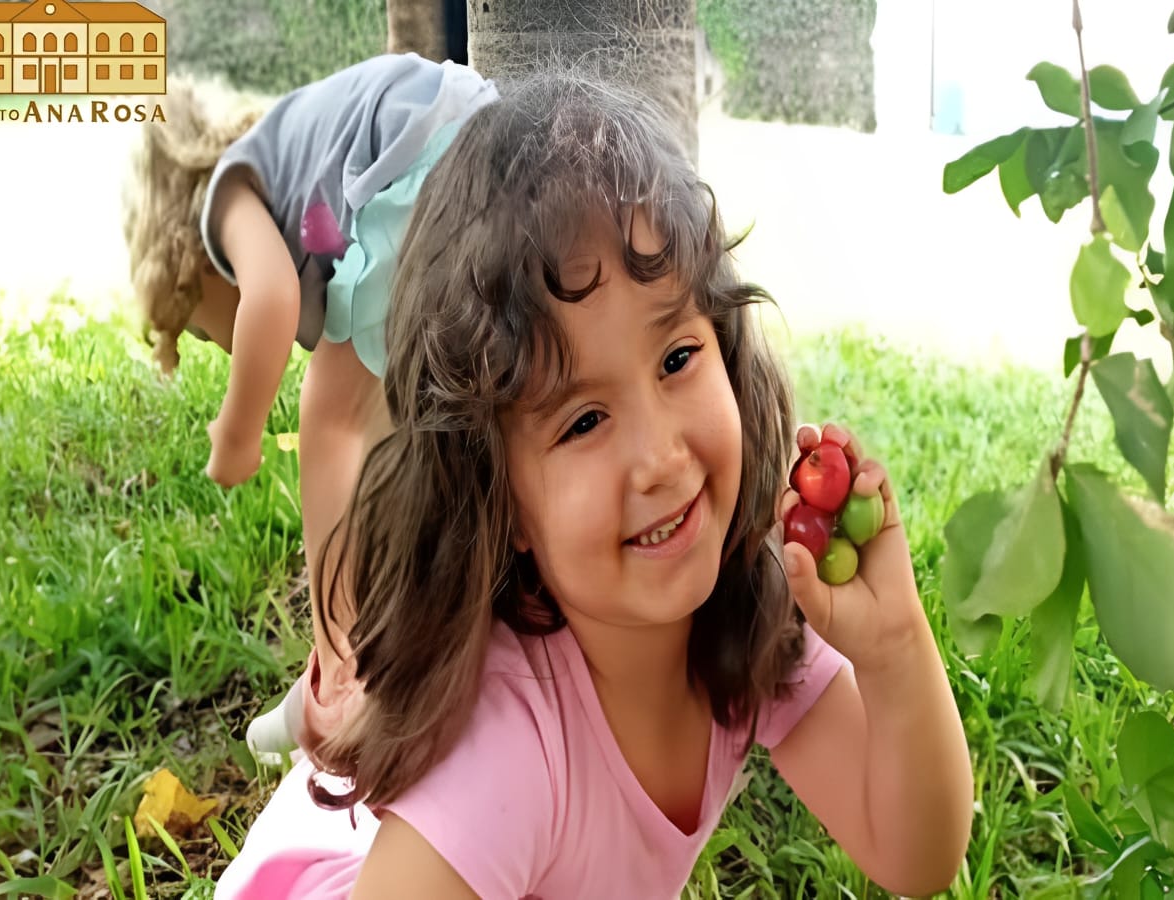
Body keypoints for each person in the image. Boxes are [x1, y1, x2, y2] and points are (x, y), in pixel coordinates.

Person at [215, 71, 973, 899]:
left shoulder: (748, 606)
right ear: (499, 498)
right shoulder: (504, 755)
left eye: (677, 358)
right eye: (582, 422)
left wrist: (893, 650)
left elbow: (913, 856)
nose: (660, 458)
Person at [122, 53, 499, 757]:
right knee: (419, 437)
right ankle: (377, 652)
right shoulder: (292, 176)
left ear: (191, 264)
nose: (224, 347)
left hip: (435, 155)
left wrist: (238, 432)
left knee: (332, 414)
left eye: (203, 332)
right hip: (491, 147)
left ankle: (338, 679)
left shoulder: (224, 199)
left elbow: (268, 299)